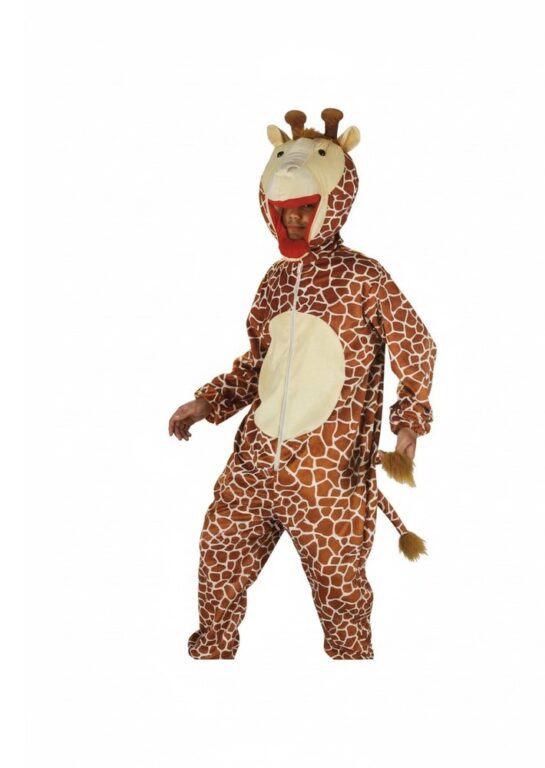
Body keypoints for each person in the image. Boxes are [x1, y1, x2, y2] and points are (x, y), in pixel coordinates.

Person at [169, 108, 436, 660]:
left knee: (341, 596)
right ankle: (209, 659)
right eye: (285, 211)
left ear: (332, 203)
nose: (294, 221)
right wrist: (206, 402)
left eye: (306, 209)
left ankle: (352, 676)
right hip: (255, 462)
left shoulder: (364, 278)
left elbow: (416, 346)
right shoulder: (274, 280)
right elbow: (257, 364)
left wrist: (409, 423)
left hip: (328, 475)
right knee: (218, 560)